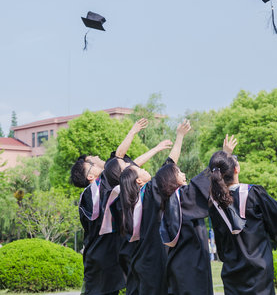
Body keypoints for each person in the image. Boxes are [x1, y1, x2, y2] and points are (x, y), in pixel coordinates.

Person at [70, 118, 172, 295]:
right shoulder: (93, 191)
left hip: (109, 253)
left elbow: (130, 167)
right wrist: (132, 131)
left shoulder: (103, 187)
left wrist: (156, 149)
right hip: (100, 255)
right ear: (90, 176)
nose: (98, 162)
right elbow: (119, 159)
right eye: (92, 164)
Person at [116, 120, 191, 295]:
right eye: (139, 169)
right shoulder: (149, 193)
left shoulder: (129, 201)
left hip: (138, 260)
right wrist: (179, 136)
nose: (142, 168)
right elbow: (170, 165)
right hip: (154, 260)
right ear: (139, 181)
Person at [207, 137, 277, 295]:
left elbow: (209, 175)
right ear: (236, 169)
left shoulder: (213, 203)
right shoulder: (253, 193)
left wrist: (224, 155)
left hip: (232, 271)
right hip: (259, 270)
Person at [156, 147, 215, 295]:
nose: (184, 174)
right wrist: (219, 160)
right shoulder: (182, 197)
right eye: (178, 172)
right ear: (170, 178)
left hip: (178, 264)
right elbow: (202, 182)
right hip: (191, 265)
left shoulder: (168, 201)